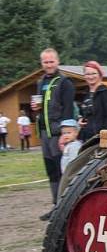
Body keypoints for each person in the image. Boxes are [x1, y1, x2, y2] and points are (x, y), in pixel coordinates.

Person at [32, 48, 75, 219]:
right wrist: (36, 108)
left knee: (61, 170)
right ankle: (55, 207)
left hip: (58, 133)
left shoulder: (65, 82)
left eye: (51, 61)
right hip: (44, 132)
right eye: (45, 62)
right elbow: (41, 105)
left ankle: (64, 207)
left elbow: (68, 110)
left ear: (57, 61)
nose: (48, 65)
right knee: (51, 171)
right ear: (42, 63)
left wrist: (66, 133)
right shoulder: (40, 81)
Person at [78, 61, 107, 141]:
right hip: (86, 138)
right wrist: (80, 120)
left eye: (94, 73)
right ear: (84, 76)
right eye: (88, 74)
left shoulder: (106, 92)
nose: (91, 77)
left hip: (101, 138)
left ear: (100, 74)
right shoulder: (86, 94)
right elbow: (84, 114)